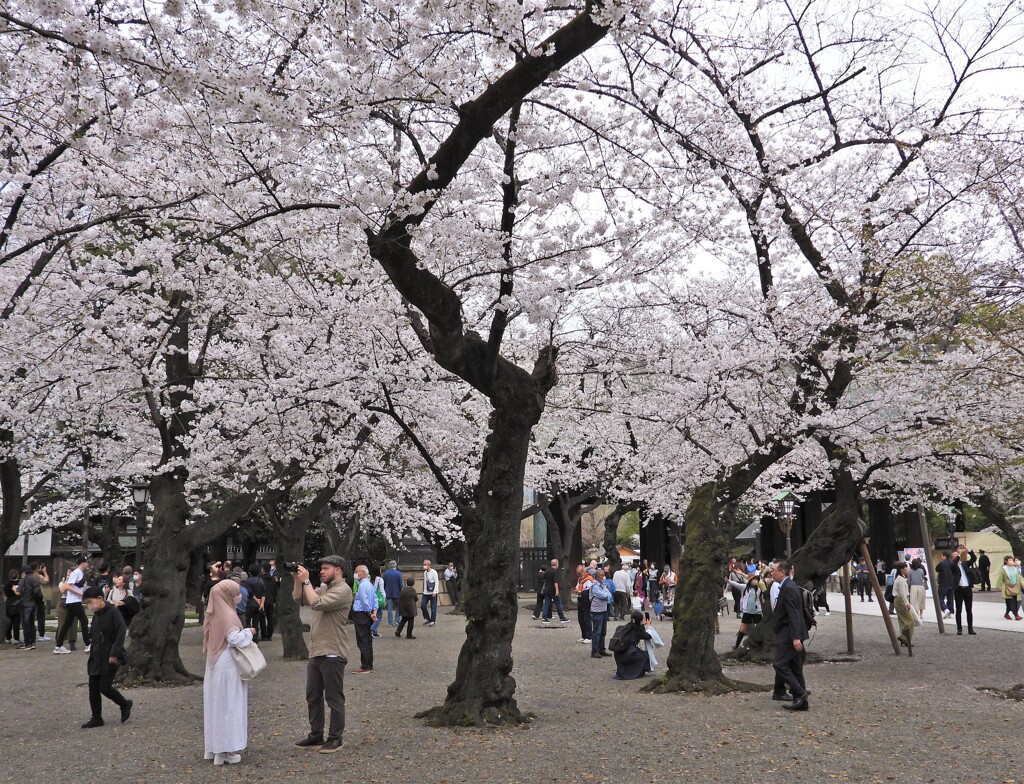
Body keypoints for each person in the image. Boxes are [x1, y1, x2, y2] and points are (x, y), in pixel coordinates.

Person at [293, 555, 353, 753]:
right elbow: (299, 598)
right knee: (313, 696)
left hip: (333, 652)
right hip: (317, 651)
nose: (322, 571)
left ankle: (336, 737)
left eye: (326, 568)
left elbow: (317, 603)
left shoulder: (343, 590)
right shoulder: (325, 587)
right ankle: (316, 734)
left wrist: (307, 581)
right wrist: (297, 578)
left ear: (338, 570)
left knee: (334, 698)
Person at [201, 579, 254, 765]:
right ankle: (229, 749)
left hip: (214, 663)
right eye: (236, 593)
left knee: (215, 704)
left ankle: (214, 748)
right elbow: (234, 639)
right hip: (228, 664)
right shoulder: (229, 615)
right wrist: (249, 632)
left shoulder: (213, 613)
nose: (239, 596)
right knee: (230, 704)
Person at [79, 586, 132, 728]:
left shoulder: (113, 612)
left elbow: (121, 632)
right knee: (93, 688)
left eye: (90, 602)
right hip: (96, 655)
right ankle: (96, 717)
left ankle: (124, 703)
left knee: (104, 686)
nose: (89, 606)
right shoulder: (97, 615)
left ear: (100, 599)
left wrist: (114, 653)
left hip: (110, 654)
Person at [770, 560, 810, 711]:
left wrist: (795, 637)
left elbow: (794, 614)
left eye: (774, 570)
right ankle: (801, 701)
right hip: (790, 633)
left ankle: (800, 692)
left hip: (789, 634)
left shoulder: (788, 588)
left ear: (782, 572)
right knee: (795, 666)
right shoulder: (788, 586)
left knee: (779, 664)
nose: (771, 573)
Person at [54, 555, 92, 654]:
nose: (87, 564)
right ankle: (88, 644)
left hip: (73, 601)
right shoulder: (76, 573)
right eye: (86, 562)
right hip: (74, 601)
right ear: (82, 563)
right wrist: (80, 594)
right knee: (84, 620)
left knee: (67, 623)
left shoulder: (79, 573)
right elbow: (67, 586)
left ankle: (58, 646)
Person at [612, 610, 652, 680]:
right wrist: (648, 625)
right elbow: (648, 636)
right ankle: (636, 672)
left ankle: (624, 671)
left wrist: (642, 625)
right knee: (644, 655)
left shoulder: (625, 627)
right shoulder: (637, 630)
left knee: (637, 652)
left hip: (618, 653)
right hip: (628, 654)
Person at [351, 564, 377, 673]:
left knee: (362, 640)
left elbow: (364, 600)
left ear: (362, 572)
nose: (355, 574)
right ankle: (368, 663)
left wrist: (369, 612)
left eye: (357, 572)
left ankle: (365, 665)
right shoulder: (370, 585)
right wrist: (374, 612)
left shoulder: (362, 585)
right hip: (368, 614)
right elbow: (375, 599)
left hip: (362, 614)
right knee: (367, 640)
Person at [14, 565, 41, 650]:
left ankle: (27, 643)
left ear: (24, 572)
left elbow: (18, 593)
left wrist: (14, 589)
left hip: (25, 604)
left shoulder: (24, 580)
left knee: (25, 625)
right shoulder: (35, 579)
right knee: (32, 624)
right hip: (33, 603)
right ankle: (33, 642)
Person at [952, 547, 977, 635]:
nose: (956, 556)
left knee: (969, 610)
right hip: (958, 589)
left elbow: (973, 559)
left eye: (957, 554)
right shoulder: (952, 566)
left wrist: (968, 550)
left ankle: (970, 628)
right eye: (954, 555)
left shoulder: (964, 564)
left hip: (967, 588)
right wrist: (959, 554)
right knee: (959, 610)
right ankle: (959, 628)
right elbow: (954, 564)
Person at [893, 562, 916, 656]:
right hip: (901, 600)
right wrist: (906, 603)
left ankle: (905, 639)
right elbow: (902, 593)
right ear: (901, 569)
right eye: (906, 568)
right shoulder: (901, 580)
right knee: (911, 620)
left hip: (898, 600)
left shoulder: (900, 578)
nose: (908, 570)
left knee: (902, 621)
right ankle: (903, 637)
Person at [735, 572, 763, 649]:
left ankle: (759, 645)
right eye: (753, 579)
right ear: (750, 581)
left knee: (759, 627)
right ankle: (736, 645)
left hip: (757, 611)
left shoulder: (759, 589)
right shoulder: (745, 588)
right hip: (747, 611)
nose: (755, 581)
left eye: (756, 579)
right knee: (743, 628)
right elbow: (736, 585)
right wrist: (728, 581)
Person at [589, 568, 612, 658]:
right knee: (597, 632)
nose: (604, 577)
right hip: (596, 611)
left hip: (604, 610)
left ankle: (602, 649)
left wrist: (606, 593)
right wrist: (606, 593)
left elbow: (608, 595)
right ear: (599, 577)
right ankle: (595, 650)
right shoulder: (594, 586)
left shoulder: (603, 585)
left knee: (603, 631)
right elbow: (603, 595)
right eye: (603, 576)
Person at [541, 559, 570, 624]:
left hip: (547, 589)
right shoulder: (555, 571)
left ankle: (544, 617)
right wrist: (557, 590)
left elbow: (544, 579)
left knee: (546, 603)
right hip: (553, 590)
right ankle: (562, 617)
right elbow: (555, 582)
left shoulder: (547, 571)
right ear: (556, 564)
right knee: (558, 603)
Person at [994, 555, 1022, 620]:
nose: (1011, 561)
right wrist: (998, 586)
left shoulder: (1014, 568)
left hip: (1015, 587)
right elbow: (1000, 578)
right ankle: (1016, 615)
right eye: (1010, 560)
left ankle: (1006, 614)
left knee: (1014, 602)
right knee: (1010, 601)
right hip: (1007, 588)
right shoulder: (1004, 569)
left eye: (1012, 560)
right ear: (1006, 561)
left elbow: (1019, 577)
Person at [935, 551, 957, 619]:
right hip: (951, 583)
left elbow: (937, 569)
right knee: (950, 599)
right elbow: (954, 571)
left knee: (940, 598)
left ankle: (945, 609)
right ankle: (951, 612)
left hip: (943, 583)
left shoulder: (941, 563)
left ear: (944, 556)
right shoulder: (952, 563)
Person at [575, 565, 593, 645]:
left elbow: (588, 589)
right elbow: (577, 586)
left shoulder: (588, 579)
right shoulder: (579, 579)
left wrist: (580, 592)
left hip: (586, 600)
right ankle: (584, 635)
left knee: (587, 618)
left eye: (579, 573)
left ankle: (589, 636)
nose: (579, 575)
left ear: (583, 571)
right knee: (580, 618)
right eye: (577, 574)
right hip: (580, 599)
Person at [382, 560, 404, 628]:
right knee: (398, 608)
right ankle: (397, 620)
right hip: (397, 593)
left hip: (388, 593)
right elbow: (401, 584)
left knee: (390, 609)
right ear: (395, 565)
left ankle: (390, 622)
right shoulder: (399, 573)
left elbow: (384, 584)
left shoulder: (385, 573)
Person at [3, 568, 21, 645]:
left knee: (9, 623)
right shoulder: (20, 584)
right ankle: (16, 638)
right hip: (18, 603)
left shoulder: (7, 585)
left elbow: (5, 596)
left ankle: (8, 638)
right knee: (16, 623)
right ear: (17, 575)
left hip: (9, 604)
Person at [421, 560, 439, 627]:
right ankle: (428, 618)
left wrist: (435, 591)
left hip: (433, 592)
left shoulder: (434, 572)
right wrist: (424, 590)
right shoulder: (425, 572)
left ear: (429, 565)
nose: (424, 565)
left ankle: (433, 620)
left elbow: (436, 582)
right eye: (423, 564)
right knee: (423, 606)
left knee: (433, 607)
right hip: (426, 592)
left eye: (425, 564)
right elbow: (425, 582)